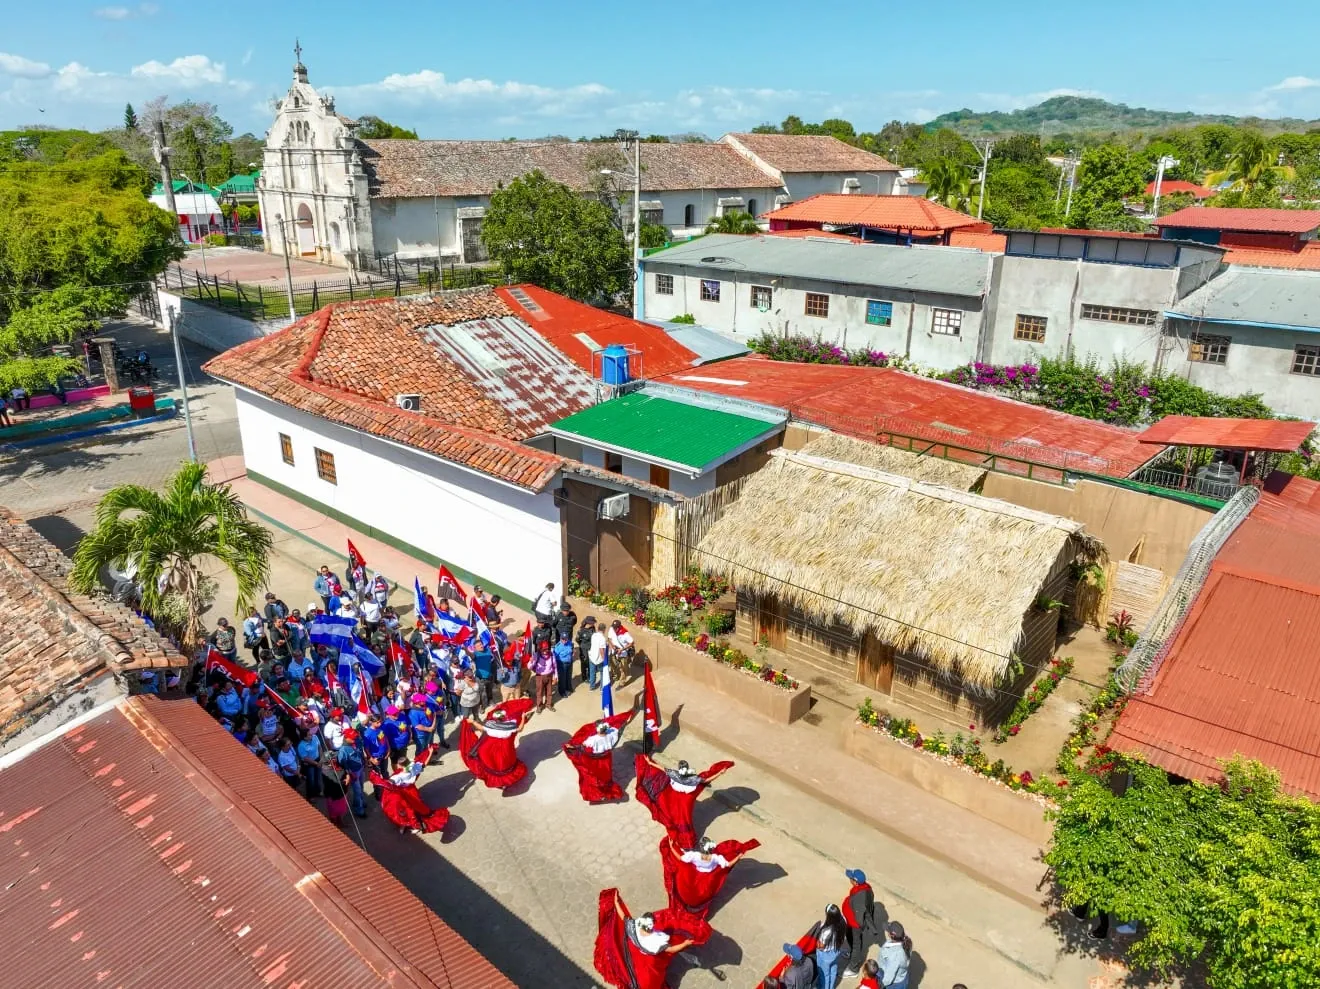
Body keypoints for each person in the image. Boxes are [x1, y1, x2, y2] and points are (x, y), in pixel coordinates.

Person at [593, 888, 711, 989]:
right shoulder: (655, 941)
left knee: (636, 969)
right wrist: (685, 944)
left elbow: (623, 916)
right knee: (652, 978)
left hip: (636, 954)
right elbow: (670, 950)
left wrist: (616, 902)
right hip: (650, 962)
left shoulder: (633, 927)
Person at [634, 755, 734, 847]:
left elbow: (663, 769)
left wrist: (650, 763)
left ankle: (681, 838)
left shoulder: (676, 774)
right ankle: (687, 839)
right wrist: (719, 773)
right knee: (685, 816)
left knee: (675, 814)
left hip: (676, 795)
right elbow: (706, 779)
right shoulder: (692, 778)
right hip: (688, 797)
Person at [659, 834, 760, 921]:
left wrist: (672, 847)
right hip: (709, 877)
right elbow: (728, 864)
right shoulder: (716, 858)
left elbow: (680, 857)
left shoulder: (695, 856)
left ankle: (688, 907)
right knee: (708, 891)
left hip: (694, 874)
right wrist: (738, 856)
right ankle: (698, 910)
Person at [458, 698, 534, 789]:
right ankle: (504, 782)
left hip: (489, 749)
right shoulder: (510, 726)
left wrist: (472, 722)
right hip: (506, 750)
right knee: (504, 764)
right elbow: (520, 728)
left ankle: (497, 782)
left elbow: (481, 728)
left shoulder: (490, 725)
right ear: (504, 717)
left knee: (489, 763)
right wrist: (522, 718)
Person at [369, 750, 449, 834]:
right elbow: (424, 763)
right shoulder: (414, 768)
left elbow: (387, 784)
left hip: (404, 793)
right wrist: (430, 751)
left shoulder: (398, 777)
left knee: (406, 810)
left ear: (399, 765)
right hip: (412, 790)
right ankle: (416, 824)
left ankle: (412, 825)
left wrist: (375, 776)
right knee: (417, 807)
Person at [563, 712, 634, 803]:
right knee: (605, 776)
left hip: (595, 763)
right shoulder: (612, 735)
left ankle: (597, 794)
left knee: (593, 777)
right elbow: (620, 726)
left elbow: (582, 748)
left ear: (597, 730)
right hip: (606, 760)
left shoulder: (592, 740)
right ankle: (605, 792)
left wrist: (571, 747)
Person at [841, 868, 879, 978]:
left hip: (855, 925)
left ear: (855, 882)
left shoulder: (861, 895)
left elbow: (861, 915)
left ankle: (853, 968)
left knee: (856, 944)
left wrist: (857, 926)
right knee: (850, 939)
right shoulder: (863, 888)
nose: (849, 879)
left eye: (851, 878)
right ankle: (852, 953)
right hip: (850, 922)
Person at [810, 904, 849, 988]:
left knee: (825, 975)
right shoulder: (843, 921)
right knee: (833, 970)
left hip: (825, 956)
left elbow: (821, 946)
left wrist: (816, 943)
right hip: (836, 951)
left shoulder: (826, 931)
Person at [336, 728, 368, 818]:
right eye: (352, 738)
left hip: (361, 768)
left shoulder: (356, 741)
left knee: (361, 787)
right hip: (353, 772)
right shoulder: (343, 750)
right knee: (357, 791)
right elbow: (343, 763)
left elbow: (361, 751)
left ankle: (359, 802)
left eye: (355, 737)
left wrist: (364, 762)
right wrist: (349, 773)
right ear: (346, 738)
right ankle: (359, 810)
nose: (354, 739)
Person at [321, 751, 351, 828]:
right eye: (333, 758)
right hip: (332, 795)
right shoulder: (326, 770)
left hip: (341, 792)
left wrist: (347, 776)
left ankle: (340, 822)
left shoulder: (337, 763)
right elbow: (335, 781)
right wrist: (344, 781)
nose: (335, 759)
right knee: (333, 812)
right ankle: (334, 826)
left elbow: (345, 769)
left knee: (340, 810)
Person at [876, 922, 911, 989]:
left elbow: (889, 977)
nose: (887, 932)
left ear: (892, 935)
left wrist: (880, 985)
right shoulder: (906, 941)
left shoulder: (894, 956)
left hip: (894, 984)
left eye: (888, 931)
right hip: (902, 976)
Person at [530, 638, 556, 713]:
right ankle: (539, 706)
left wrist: (555, 676)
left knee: (549, 691)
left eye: (546, 649)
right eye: (543, 649)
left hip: (549, 675)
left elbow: (555, 666)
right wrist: (531, 662)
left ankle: (548, 704)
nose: (545, 651)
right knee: (539, 692)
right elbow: (529, 667)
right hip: (540, 676)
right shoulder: (536, 655)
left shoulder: (551, 654)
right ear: (540, 649)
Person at [296, 728, 323, 799]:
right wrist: (316, 764)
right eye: (309, 734)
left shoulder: (315, 737)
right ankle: (311, 796)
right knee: (311, 780)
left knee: (318, 777)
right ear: (304, 737)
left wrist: (321, 759)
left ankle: (318, 791)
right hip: (309, 764)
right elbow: (305, 758)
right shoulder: (301, 746)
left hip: (318, 760)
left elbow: (319, 747)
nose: (311, 735)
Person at [553, 631, 575, 698]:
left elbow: (572, 649)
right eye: (563, 639)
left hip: (569, 662)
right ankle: (562, 691)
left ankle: (568, 688)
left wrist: (573, 652)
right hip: (562, 664)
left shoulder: (570, 643)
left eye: (566, 639)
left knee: (568, 676)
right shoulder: (558, 647)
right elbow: (555, 657)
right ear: (560, 638)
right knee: (562, 678)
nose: (565, 641)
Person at [576, 616, 597, 685]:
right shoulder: (581, 630)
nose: (594, 624)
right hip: (584, 649)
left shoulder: (593, 629)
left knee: (590, 662)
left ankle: (590, 676)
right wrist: (582, 645)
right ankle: (584, 677)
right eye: (593, 623)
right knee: (584, 663)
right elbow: (577, 640)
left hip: (591, 649)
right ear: (589, 623)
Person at [588, 620, 609, 690]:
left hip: (592, 657)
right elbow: (601, 650)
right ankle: (602, 688)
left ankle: (592, 686)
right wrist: (604, 659)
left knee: (592, 672)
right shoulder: (603, 638)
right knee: (602, 672)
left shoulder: (593, 635)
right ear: (604, 630)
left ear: (598, 628)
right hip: (599, 659)